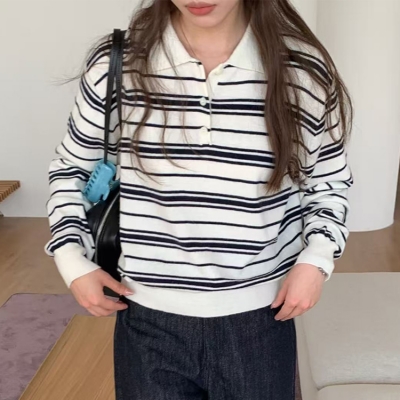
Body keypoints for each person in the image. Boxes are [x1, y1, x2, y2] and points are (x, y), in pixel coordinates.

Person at [45, 0, 353, 398]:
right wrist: (71, 259)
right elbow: (72, 168)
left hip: (261, 319)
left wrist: (316, 260)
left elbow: (327, 182)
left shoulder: (301, 70)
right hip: (146, 318)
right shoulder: (118, 63)